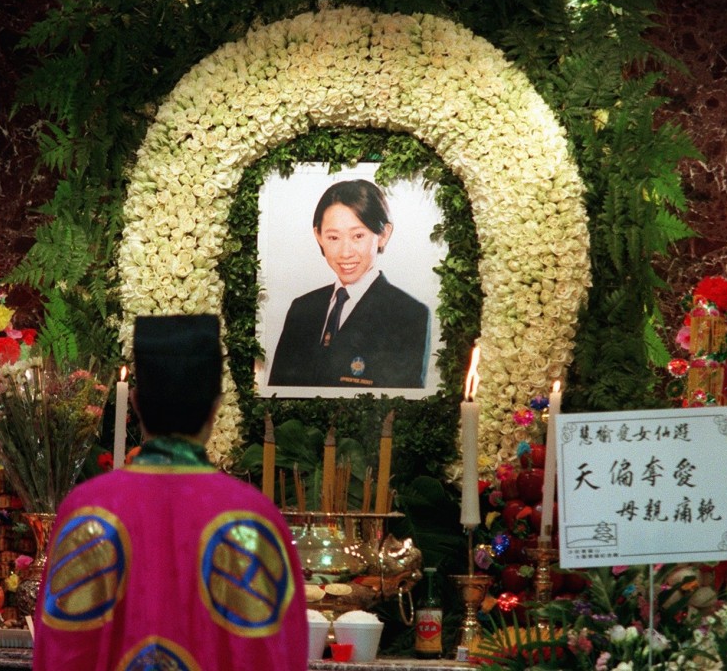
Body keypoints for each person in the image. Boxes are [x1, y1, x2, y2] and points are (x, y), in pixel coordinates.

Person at [34, 314, 307, 670]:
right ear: (216, 405)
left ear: (134, 401)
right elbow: (275, 655)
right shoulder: (254, 518)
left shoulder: (86, 510)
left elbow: (60, 651)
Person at [268, 179, 430, 389]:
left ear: (383, 234)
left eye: (358, 236)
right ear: (318, 236)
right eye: (333, 237)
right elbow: (277, 395)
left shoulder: (407, 314)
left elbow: (399, 408)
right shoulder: (302, 308)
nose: (345, 252)